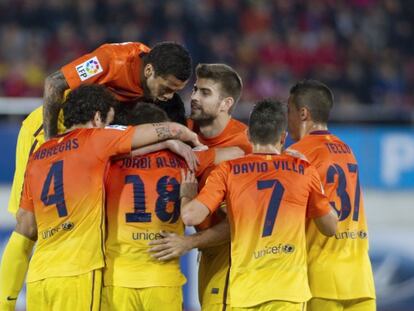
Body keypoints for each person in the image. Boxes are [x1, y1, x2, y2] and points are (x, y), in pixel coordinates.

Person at [0, 85, 200, 311]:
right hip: (78, 273)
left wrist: (7, 300)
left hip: (39, 276)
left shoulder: (37, 156)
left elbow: (25, 225)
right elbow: (170, 130)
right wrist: (179, 138)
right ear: (97, 118)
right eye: (109, 122)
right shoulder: (95, 140)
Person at [180, 99, 338, 310]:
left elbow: (191, 217)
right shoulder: (304, 170)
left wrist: (187, 194)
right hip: (288, 292)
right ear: (283, 138)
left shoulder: (227, 170)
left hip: (245, 291)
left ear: (248, 135)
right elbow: (330, 227)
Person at [7, 41, 192, 216]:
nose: (169, 96)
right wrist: (51, 143)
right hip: (51, 125)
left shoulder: (156, 68)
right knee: (28, 218)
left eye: (175, 91)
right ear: (149, 70)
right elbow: (54, 83)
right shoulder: (110, 59)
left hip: (84, 140)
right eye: (167, 88)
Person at [102, 102, 243, 311]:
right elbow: (237, 153)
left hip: (118, 279)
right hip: (163, 277)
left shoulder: (109, 164)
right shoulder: (185, 160)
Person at [149, 63, 252, 311]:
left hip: (234, 256)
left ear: (226, 103)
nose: (194, 97)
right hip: (208, 253)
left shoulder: (246, 147)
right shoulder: (184, 131)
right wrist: (211, 156)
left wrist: (188, 242)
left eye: (205, 93)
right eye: (195, 89)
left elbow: (242, 223)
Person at [286, 80, 376, 311]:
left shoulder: (297, 154)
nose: (288, 121)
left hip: (320, 279)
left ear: (303, 113)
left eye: (289, 111)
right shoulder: (347, 149)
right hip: (361, 280)